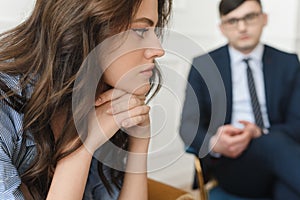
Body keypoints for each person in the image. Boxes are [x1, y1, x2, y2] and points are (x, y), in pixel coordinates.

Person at [0, 0, 172, 199]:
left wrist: (139, 143)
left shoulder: (100, 103)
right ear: (81, 24)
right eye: (141, 30)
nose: (158, 50)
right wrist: (80, 149)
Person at [180, 0, 300, 199]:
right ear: (222, 28)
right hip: (233, 163)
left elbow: (297, 123)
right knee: (275, 146)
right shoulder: (204, 65)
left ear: (264, 18)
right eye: (232, 21)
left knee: (286, 189)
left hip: (282, 155)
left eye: (250, 17)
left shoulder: (288, 62)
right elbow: (187, 125)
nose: (242, 27)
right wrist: (215, 143)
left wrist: (259, 132)